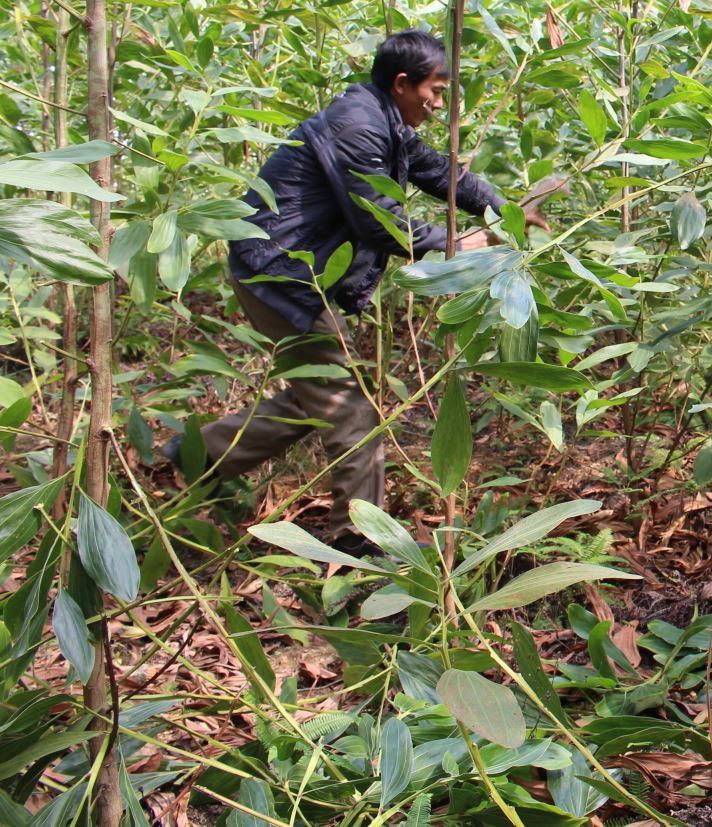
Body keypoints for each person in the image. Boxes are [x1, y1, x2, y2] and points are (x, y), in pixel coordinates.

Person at [162, 29, 543, 550]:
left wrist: (504, 210)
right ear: (403, 83)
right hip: (285, 276)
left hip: (287, 273)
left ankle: (195, 456)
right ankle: (356, 540)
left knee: (316, 397)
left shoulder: (380, 118)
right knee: (351, 407)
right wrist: (459, 242)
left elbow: (437, 171)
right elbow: (376, 222)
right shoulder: (358, 125)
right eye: (434, 91)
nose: (437, 105)